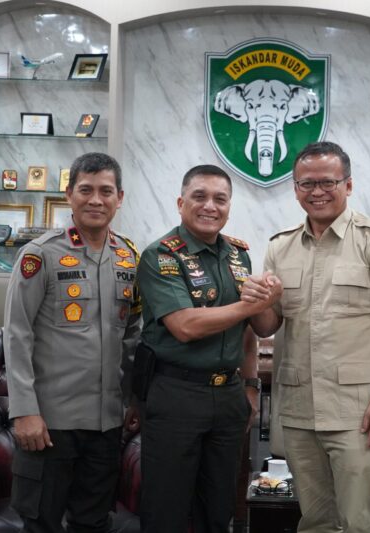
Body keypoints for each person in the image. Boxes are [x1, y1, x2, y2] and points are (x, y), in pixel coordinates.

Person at [244, 141, 370, 533]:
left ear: (349, 185)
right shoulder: (280, 246)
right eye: (306, 184)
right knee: (314, 520)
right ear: (294, 188)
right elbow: (268, 326)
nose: (317, 191)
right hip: (300, 408)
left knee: (358, 521)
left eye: (327, 182)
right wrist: (256, 302)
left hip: (357, 410)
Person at [136, 164, 279, 532]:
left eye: (220, 199)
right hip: (176, 394)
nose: (209, 206)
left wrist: (250, 384)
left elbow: (252, 328)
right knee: (166, 510)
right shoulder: (161, 256)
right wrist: (250, 305)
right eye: (199, 197)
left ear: (229, 206)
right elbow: (184, 326)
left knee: (218, 510)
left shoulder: (238, 255)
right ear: (181, 202)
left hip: (229, 396)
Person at [4, 152, 141, 533]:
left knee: (93, 522)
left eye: (106, 191)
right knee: (42, 522)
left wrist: (133, 399)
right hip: (49, 422)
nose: (96, 200)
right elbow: (16, 333)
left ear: (120, 197)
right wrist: (24, 411)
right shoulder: (40, 255)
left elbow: (131, 336)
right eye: (86, 190)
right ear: (69, 195)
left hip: (106, 423)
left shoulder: (128, 258)